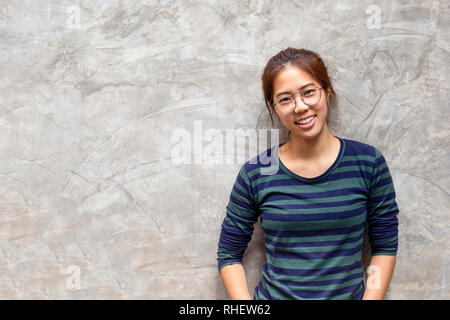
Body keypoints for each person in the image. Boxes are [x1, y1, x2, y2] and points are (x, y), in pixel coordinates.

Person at [216, 48, 399, 300]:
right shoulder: (256, 173)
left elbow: (385, 246)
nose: (300, 107)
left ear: (327, 91)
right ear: (275, 108)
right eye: (285, 99)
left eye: (308, 92)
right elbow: (229, 253)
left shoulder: (368, 163)